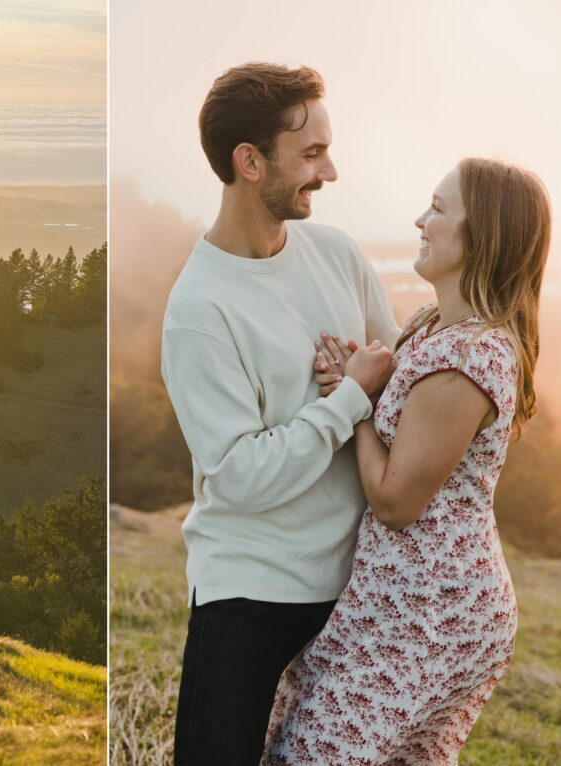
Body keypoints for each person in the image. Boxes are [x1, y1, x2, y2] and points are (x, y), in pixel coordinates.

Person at [263, 158, 551, 764]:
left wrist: (354, 401)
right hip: (399, 603)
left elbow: (395, 501)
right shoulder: (432, 328)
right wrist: (356, 374)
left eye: (439, 210)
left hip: (434, 613)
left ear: (484, 237)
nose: (421, 220)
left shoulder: (471, 357)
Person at [160, 62, 400, 766]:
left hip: (357, 584)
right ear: (249, 161)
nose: (329, 172)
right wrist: (348, 397)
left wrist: (367, 385)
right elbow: (238, 475)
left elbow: (397, 390)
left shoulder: (339, 254)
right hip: (250, 592)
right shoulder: (199, 310)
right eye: (312, 154)